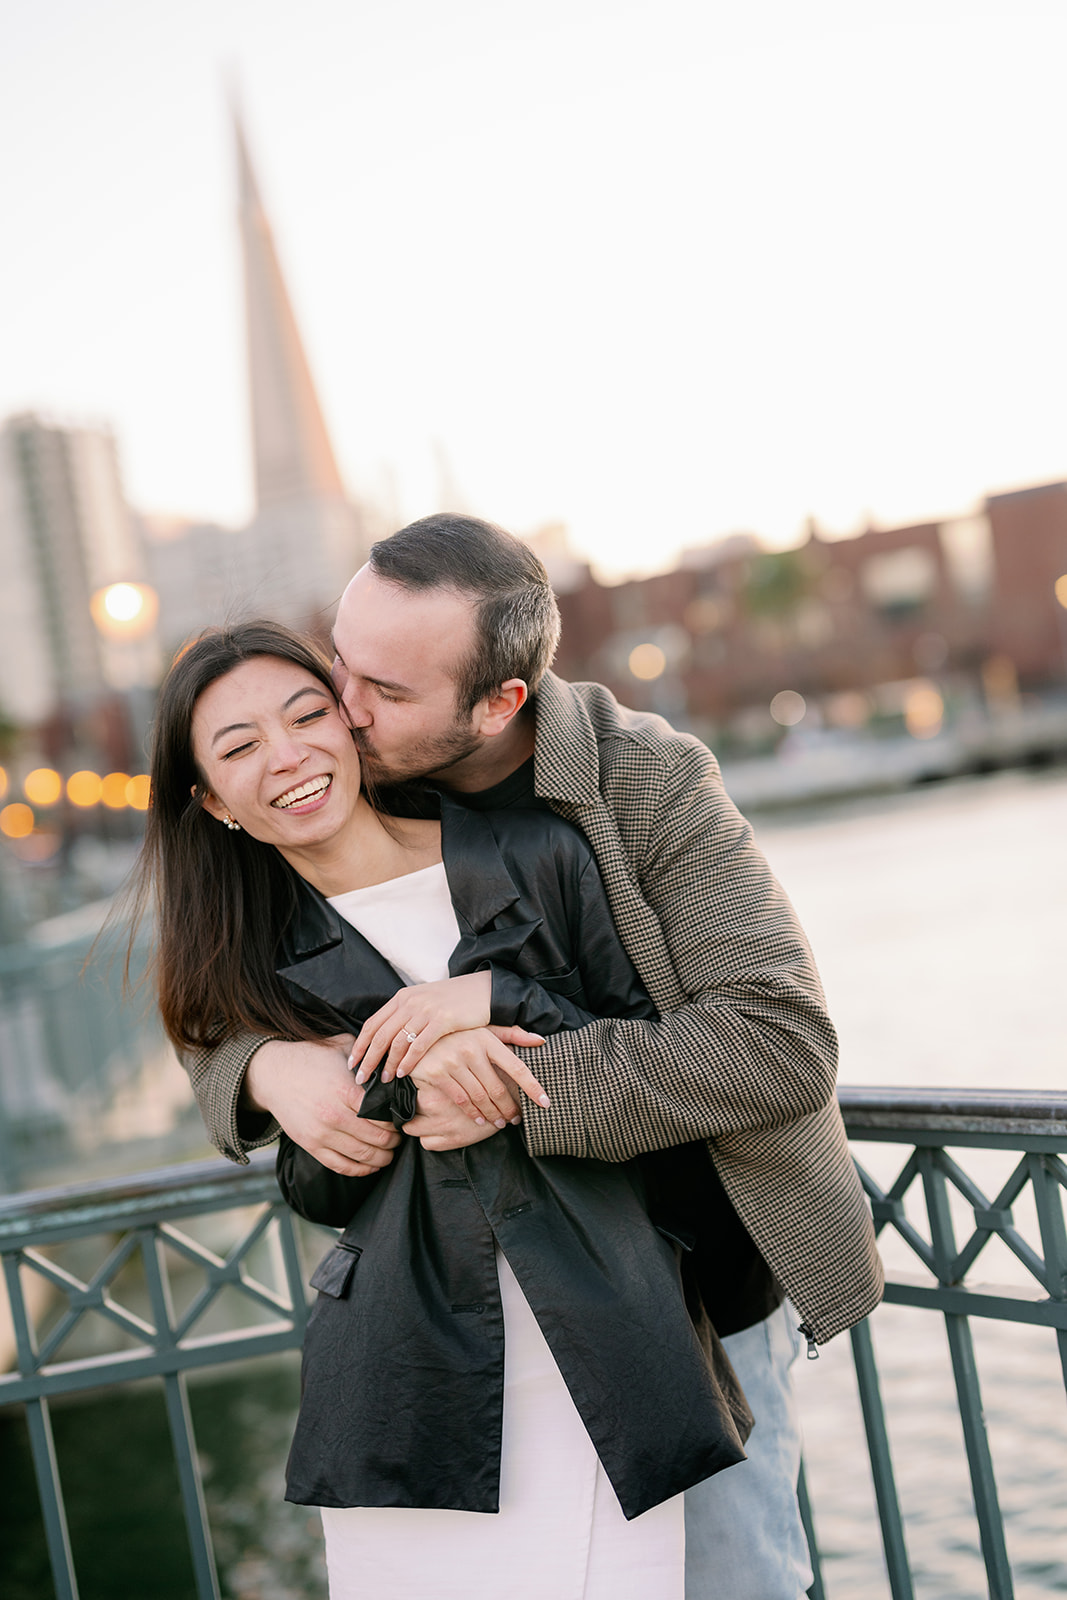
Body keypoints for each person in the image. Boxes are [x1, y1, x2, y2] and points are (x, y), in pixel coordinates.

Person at [185, 515, 884, 1600]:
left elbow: (777, 1041)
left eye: (385, 688)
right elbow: (223, 978)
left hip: (700, 1269)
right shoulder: (358, 777)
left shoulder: (648, 780)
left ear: (497, 703)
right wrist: (261, 1069)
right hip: (498, 1309)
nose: (341, 708)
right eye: (339, 658)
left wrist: (500, 1052)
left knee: (732, 1577)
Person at [141, 620, 753, 1600]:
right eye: (239, 746)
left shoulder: (537, 855)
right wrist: (286, 1079)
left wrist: (495, 1018)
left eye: (304, 715)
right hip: (406, 1368)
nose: (287, 756)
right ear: (213, 801)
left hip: (599, 1326)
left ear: (348, 723)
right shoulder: (246, 964)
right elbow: (320, 1192)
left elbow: (653, 1059)